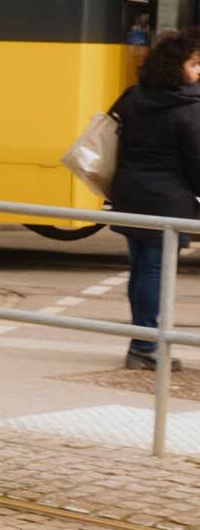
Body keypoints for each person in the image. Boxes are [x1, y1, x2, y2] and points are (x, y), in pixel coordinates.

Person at [108, 29, 200, 371]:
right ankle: (146, 345)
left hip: (130, 194)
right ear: (176, 66)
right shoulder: (187, 108)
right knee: (157, 272)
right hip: (166, 202)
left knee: (140, 270)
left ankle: (141, 340)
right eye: (194, 64)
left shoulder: (134, 96)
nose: (198, 71)